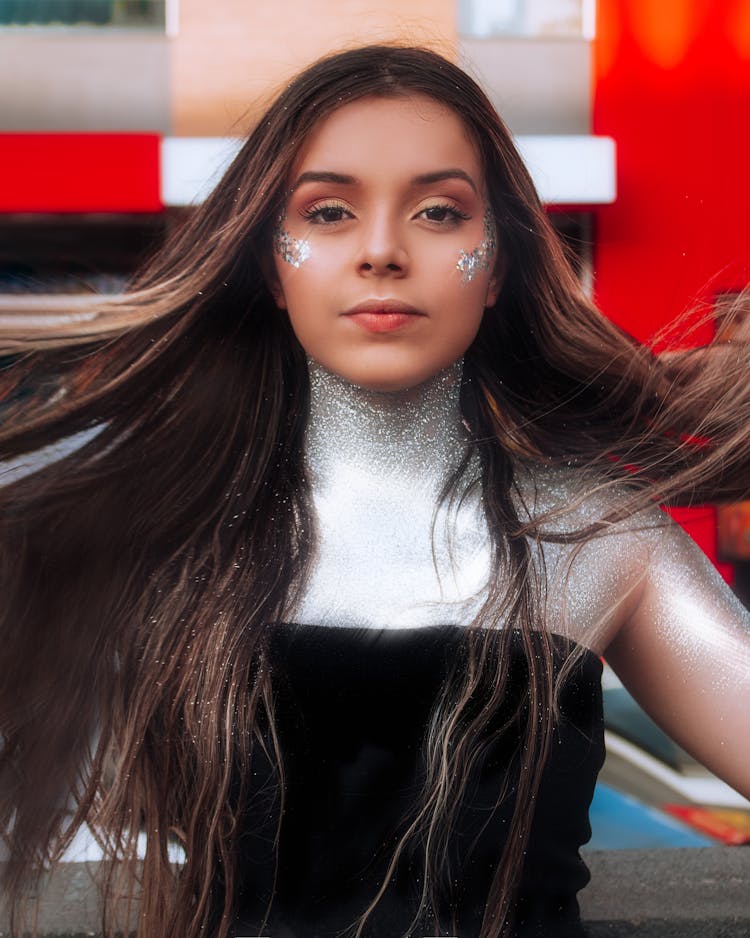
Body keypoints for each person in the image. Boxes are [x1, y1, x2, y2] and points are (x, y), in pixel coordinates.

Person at [1, 44, 749, 938]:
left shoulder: (604, 542)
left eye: (439, 212)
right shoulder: (156, 534)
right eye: (328, 211)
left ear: (499, 264)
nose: (383, 252)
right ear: (272, 265)